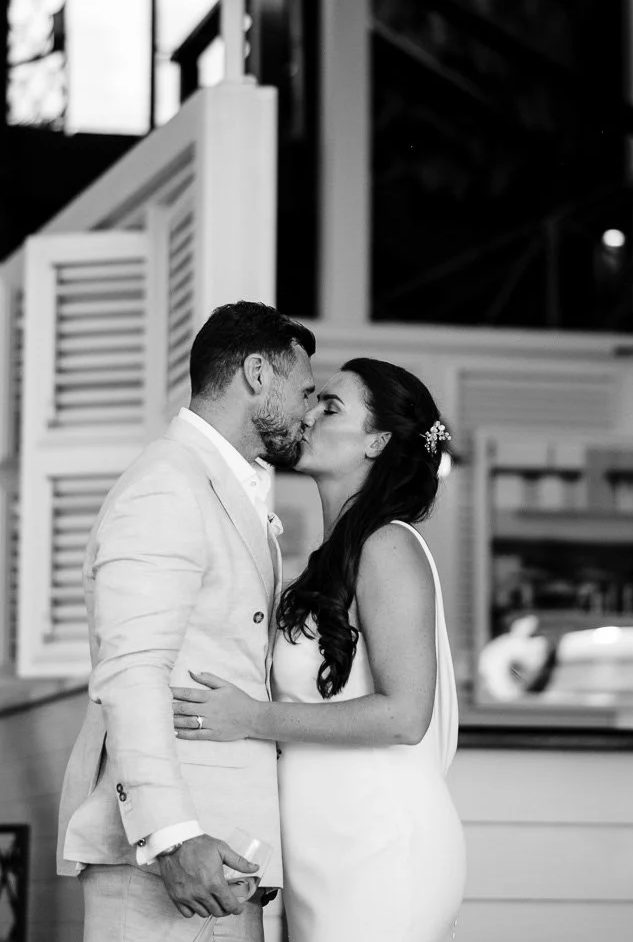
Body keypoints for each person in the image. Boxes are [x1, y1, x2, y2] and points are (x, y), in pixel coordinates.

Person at [171, 358, 466, 942]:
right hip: (323, 856)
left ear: (377, 441)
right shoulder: (323, 560)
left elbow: (406, 716)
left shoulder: (388, 546)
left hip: (378, 848)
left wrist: (252, 718)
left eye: (330, 407)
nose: (307, 415)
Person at [56, 301, 317, 942]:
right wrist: (171, 836)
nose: (310, 411)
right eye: (305, 390)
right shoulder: (167, 486)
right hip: (178, 857)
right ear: (258, 373)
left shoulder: (218, 485)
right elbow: (131, 671)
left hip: (225, 853)